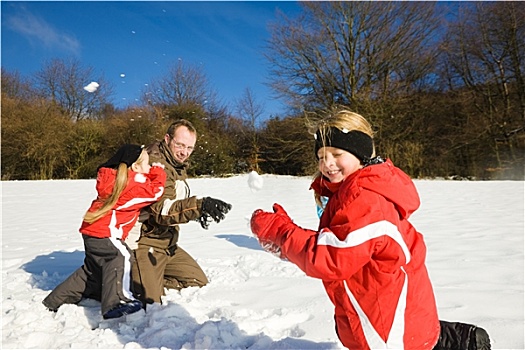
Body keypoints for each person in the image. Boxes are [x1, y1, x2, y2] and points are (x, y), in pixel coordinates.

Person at [250, 107, 491, 350]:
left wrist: (281, 232)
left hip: (386, 327)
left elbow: (330, 258)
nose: (327, 163)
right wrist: (287, 244)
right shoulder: (351, 192)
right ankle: (443, 339)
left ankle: (450, 342)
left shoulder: (365, 200)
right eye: (321, 156)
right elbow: (342, 245)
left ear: (360, 152)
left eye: (336, 153)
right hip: (384, 308)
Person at [43, 144, 166, 319]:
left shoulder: (114, 180)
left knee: (91, 274)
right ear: (136, 167)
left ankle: (54, 301)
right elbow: (155, 192)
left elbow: (140, 186)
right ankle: (117, 301)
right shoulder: (129, 187)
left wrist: (147, 173)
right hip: (105, 233)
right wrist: (158, 173)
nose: (150, 167)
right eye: (147, 164)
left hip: (91, 233)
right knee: (121, 256)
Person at [130, 119, 232, 305]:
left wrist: (196, 213)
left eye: (190, 148)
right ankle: (129, 278)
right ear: (167, 139)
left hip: (167, 243)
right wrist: (198, 206)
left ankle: (151, 280)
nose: (184, 152)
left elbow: (174, 202)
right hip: (144, 242)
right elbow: (161, 210)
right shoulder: (155, 165)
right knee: (151, 303)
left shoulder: (176, 165)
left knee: (196, 281)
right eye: (180, 145)